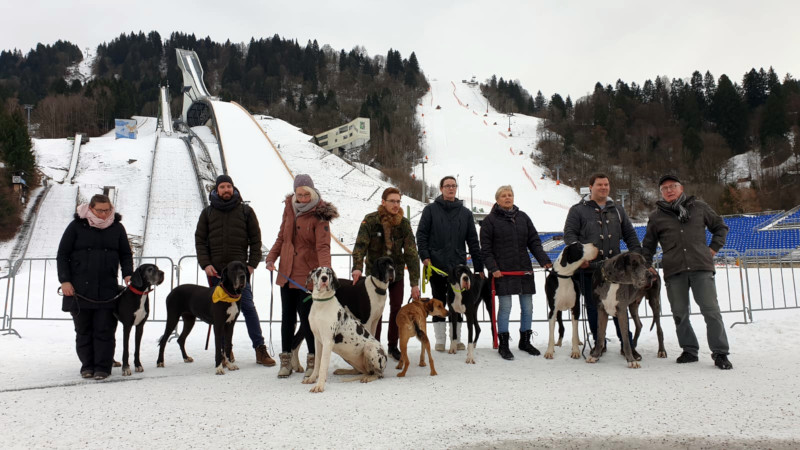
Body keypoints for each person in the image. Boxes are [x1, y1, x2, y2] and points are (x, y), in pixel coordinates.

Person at [642, 175, 732, 370]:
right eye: (664, 188)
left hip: (701, 267)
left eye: (673, 186)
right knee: (679, 313)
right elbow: (648, 245)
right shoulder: (656, 217)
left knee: (711, 311)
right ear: (661, 193)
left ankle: (720, 353)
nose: (669, 190)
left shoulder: (698, 207)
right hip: (674, 270)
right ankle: (689, 350)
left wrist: (713, 248)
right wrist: (647, 264)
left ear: (681, 188)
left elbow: (720, 227)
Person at [195, 174, 275, 367]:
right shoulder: (207, 213)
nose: (226, 190)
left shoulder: (246, 212)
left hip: (240, 272)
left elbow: (256, 240)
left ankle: (260, 349)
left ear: (233, 189)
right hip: (218, 274)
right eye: (222, 187)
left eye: (228, 187)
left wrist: (251, 264)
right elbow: (200, 241)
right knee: (219, 312)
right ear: (216, 190)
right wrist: (206, 264)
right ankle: (225, 350)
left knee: (247, 306)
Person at [266, 174, 338, 378]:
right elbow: (282, 237)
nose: (303, 198)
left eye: (307, 194)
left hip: (308, 276)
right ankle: (286, 360)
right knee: (287, 318)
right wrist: (272, 257)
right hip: (286, 271)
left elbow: (323, 246)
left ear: (313, 193)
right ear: (294, 193)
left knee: (308, 320)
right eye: (300, 194)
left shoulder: (320, 214)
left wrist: (326, 272)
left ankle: (312, 360)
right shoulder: (289, 208)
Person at [563, 173, 642, 354]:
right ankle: (600, 343)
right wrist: (581, 257)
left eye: (606, 184)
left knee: (620, 305)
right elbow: (569, 235)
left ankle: (626, 344)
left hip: (616, 271)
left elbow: (630, 235)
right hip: (589, 268)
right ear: (591, 187)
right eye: (599, 185)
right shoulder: (577, 210)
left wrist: (637, 257)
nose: (604, 188)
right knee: (593, 306)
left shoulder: (618, 210)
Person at [57, 194, 133, 380]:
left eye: (107, 210)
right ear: (90, 209)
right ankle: (87, 365)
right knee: (83, 330)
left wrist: (128, 273)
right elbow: (62, 255)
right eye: (100, 210)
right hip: (80, 290)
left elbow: (125, 254)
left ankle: (102, 367)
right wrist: (64, 280)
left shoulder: (117, 227)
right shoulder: (76, 226)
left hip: (107, 288)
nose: (104, 214)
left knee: (105, 329)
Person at [480, 185, 552, 360]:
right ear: (497, 200)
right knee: (506, 307)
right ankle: (503, 344)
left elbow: (534, 241)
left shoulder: (523, 218)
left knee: (528, 307)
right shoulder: (490, 221)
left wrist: (544, 260)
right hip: (503, 272)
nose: (507, 198)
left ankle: (525, 340)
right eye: (503, 196)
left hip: (523, 270)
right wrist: (493, 268)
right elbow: (486, 249)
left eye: (510, 195)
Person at [352, 187, 421, 361]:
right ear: (383, 202)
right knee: (376, 311)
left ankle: (392, 346)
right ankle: (374, 345)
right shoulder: (370, 221)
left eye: (398, 201)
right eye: (392, 201)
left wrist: (414, 283)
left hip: (396, 275)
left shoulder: (404, 224)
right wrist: (357, 267)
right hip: (375, 277)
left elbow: (411, 253)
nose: (396, 205)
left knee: (397, 310)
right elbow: (360, 246)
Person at [416, 175, 484, 352]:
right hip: (436, 266)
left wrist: (478, 268)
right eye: (447, 186)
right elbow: (421, 235)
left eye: (454, 186)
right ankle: (440, 339)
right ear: (441, 189)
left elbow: (473, 241)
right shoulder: (430, 210)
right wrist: (425, 256)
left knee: (459, 302)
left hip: (458, 269)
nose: (451, 188)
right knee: (438, 303)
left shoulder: (466, 213)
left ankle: (457, 338)